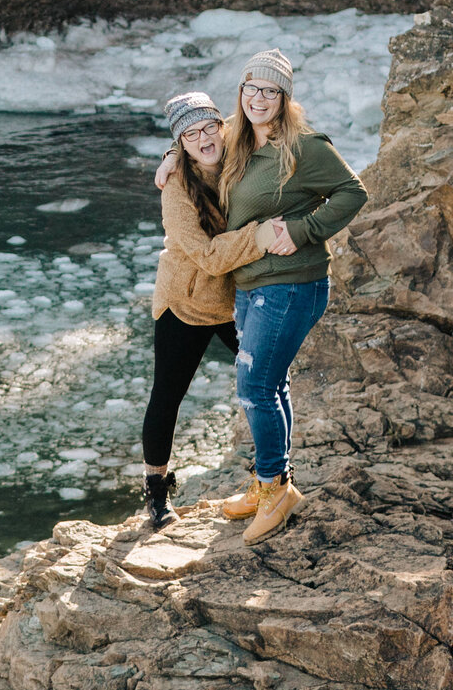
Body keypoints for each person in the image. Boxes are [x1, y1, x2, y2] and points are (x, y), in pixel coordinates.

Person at [155, 47, 364, 543]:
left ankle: (274, 490)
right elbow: (198, 130)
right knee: (271, 385)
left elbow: (353, 192)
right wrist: (170, 156)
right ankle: (272, 481)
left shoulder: (304, 146)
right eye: (252, 88)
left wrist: (305, 229)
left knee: (255, 388)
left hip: (289, 283)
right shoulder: (239, 136)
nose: (259, 98)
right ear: (242, 94)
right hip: (249, 285)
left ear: (285, 97)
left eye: (271, 90)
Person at [139, 91, 294, 529]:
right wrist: (260, 236)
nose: (204, 138)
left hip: (234, 296)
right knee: (167, 396)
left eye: (209, 127)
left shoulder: (238, 150)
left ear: (221, 127)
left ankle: (274, 478)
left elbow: (265, 125)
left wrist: (172, 149)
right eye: (190, 134)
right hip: (184, 301)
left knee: (269, 380)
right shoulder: (176, 190)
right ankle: (155, 491)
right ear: (182, 142)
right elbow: (207, 255)